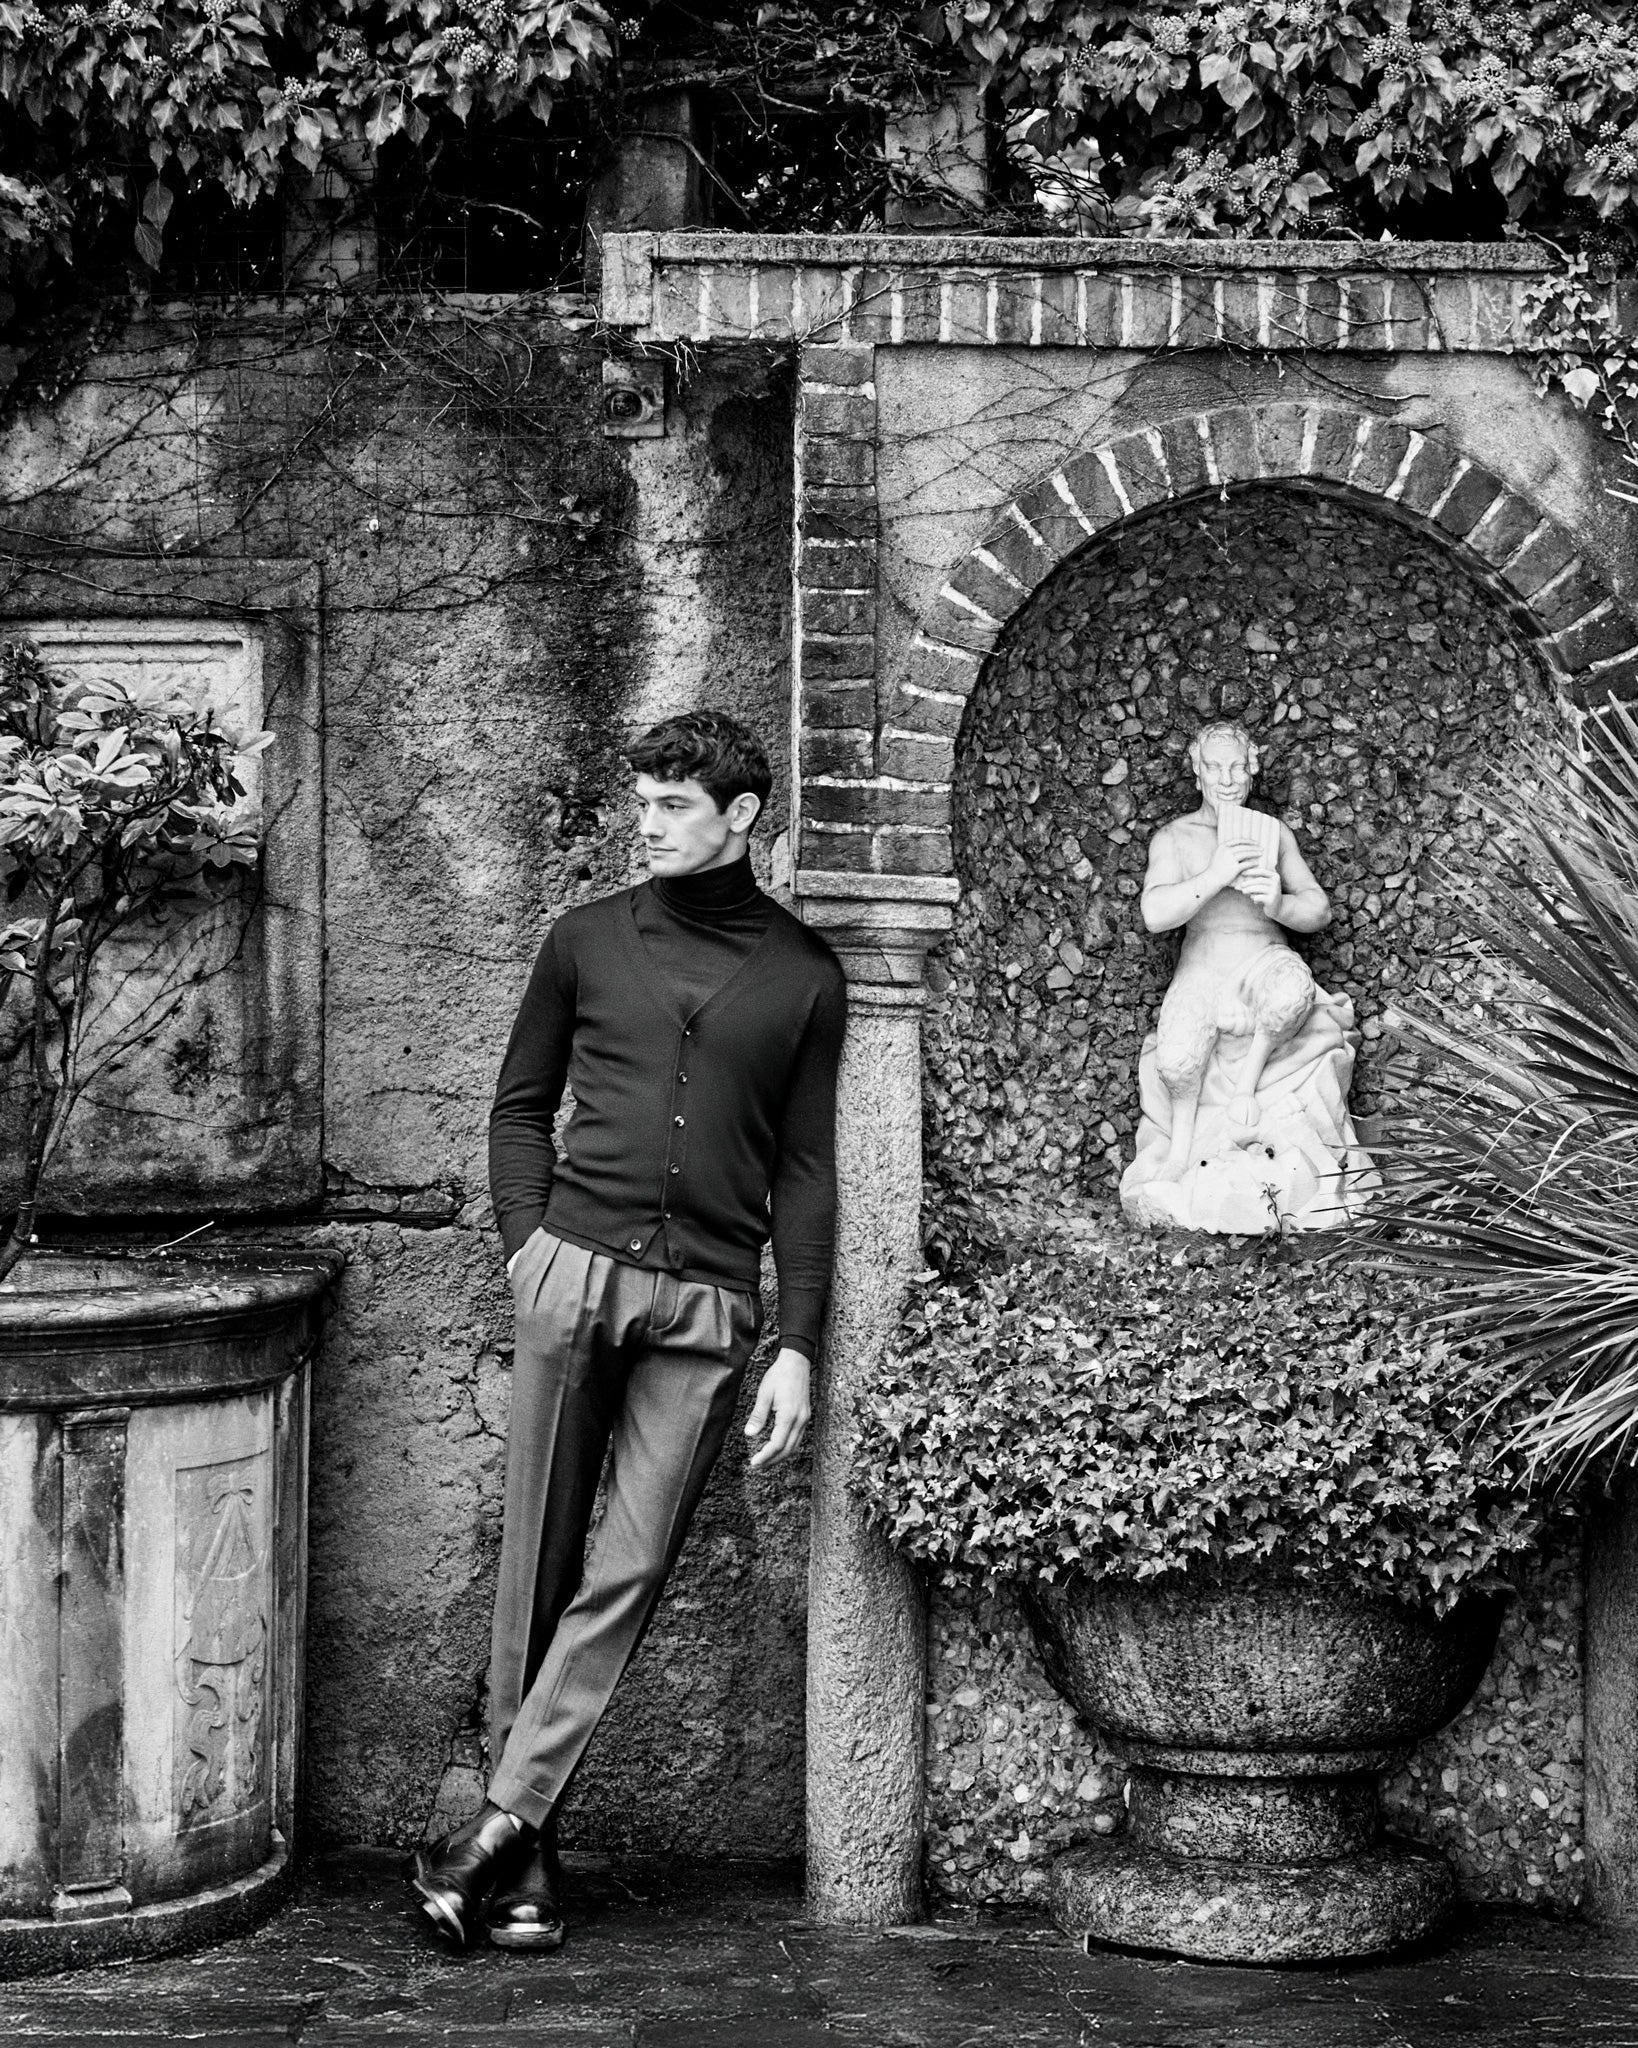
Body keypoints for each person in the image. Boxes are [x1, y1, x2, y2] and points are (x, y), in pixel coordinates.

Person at [407, 710, 847, 1951]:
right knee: (539, 1564)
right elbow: (518, 1107)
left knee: (632, 1563)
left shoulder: (806, 975)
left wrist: (799, 1339)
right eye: (641, 802)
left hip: (708, 1306)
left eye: (671, 805)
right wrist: (529, 1251)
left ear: (741, 815)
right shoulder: (586, 939)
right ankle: (526, 1863)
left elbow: (806, 1168)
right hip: (574, 1275)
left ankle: (493, 1829)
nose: (645, 824)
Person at [1120, 720, 1374, 1235]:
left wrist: (1278, 903)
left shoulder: (1272, 833)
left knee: (1291, 991)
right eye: (1215, 767)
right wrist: (1215, 875)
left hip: (1264, 960)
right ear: (1197, 771)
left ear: (1252, 770)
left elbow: (1318, 909)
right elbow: (1155, 914)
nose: (1227, 780)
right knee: (1177, 1059)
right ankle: (1182, 1149)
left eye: (1237, 767)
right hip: (1203, 968)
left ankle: (1248, 1087)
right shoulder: (1175, 838)